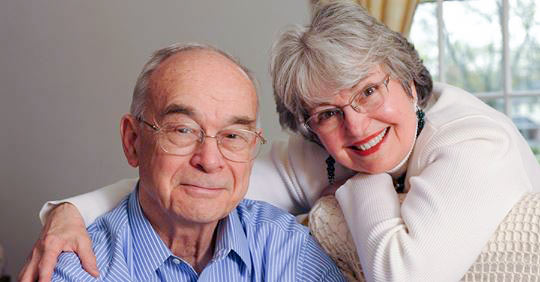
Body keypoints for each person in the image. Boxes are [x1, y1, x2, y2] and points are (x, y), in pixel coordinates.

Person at [20, 2, 540, 282]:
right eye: (330, 114)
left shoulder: (476, 143)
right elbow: (202, 184)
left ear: (407, 81)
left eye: (369, 91)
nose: (356, 128)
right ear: (309, 127)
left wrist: (363, 182)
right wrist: (68, 211)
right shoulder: (318, 152)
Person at [30, 43, 345, 282]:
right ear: (133, 141)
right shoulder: (78, 268)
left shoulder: (285, 248)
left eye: (233, 136)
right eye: (182, 130)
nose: (209, 161)